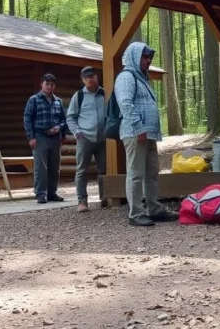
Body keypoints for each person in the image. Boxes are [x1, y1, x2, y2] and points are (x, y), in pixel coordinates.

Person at [114, 42, 178, 227]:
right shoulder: (126, 77)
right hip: (136, 133)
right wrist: (138, 126)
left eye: (150, 57)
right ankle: (136, 213)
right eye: (145, 56)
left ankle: (154, 209)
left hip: (147, 134)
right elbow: (125, 103)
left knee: (151, 172)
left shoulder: (143, 77)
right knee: (135, 174)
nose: (148, 60)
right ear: (135, 56)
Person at [67, 66, 107, 212]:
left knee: (104, 170)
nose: (90, 79)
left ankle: (105, 198)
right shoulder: (79, 96)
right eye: (87, 77)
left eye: (92, 76)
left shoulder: (105, 93)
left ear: (97, 76)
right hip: (85, 138)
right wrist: (77, 133)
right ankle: (82, 201)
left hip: (103, 138)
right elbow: (70, 117)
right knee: (82, 170)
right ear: (83, 80)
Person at [23, 73, 67, 204]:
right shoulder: (34, 99)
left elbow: (63, 120)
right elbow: (27, 119)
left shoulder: (58, 101)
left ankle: (52, 193)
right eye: (47, 84)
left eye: (52, 84)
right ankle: (41, 193)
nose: (49, 86)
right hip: (39, 136)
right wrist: (31, 137)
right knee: (40, 168)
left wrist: (60, 130)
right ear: (41, 84)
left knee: (55, 167)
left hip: (55, 137)